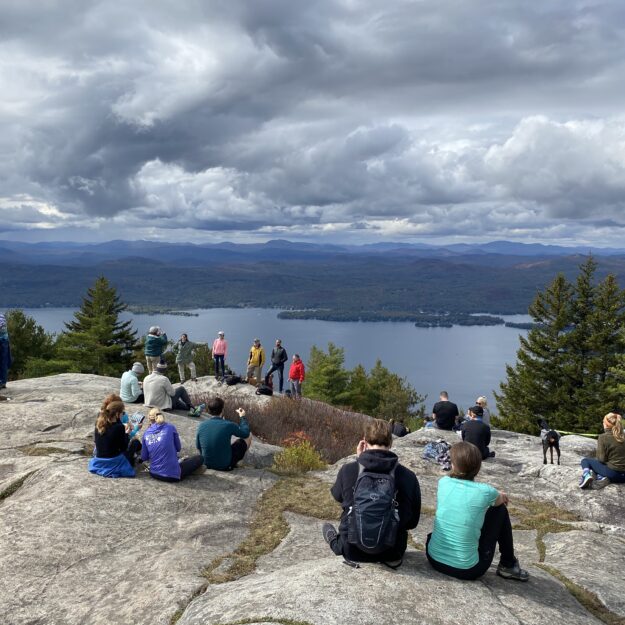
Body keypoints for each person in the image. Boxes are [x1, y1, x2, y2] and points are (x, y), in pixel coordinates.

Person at [322, 419, 421, 568]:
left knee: (332, 529)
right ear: (391, 443)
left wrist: (359, 461)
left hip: (352, 549)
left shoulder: (348, 470)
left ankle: (335, 543)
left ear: (364, 441)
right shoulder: (408, 476)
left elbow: (338, 496)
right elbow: (412, 522)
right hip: (392, 551)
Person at [426, 441, 529, 581]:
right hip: (467, 569)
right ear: (478, 468)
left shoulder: (443, 482)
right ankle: (508, 564)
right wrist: (498, 494)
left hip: (433, 558)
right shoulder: (486, 492)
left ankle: (507, 564)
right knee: (500, 511)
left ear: (453, 465)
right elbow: (501, 500)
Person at [140, 408, 204, 482]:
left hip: (154, 473)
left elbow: (144, 457)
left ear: (149, 419)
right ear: (161, 416)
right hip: (172, 476)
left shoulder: (146, 433)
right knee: (199, 458)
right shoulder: (170, 427)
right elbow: (178, 448)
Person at [88, 397, 143, 478]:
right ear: (117, 414)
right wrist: (127, 434)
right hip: (114, 461)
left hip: (99, 459)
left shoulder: (99, 423)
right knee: (135, 442)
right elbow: (123, 448)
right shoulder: (119, 427)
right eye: (122, 413)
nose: (123, 415)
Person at [195, 398, 251, 470]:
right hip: (224, 465)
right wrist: (242, 417)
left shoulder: (202, 425)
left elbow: (198, 446)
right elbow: (246, 433)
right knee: (249, 436)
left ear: (209, 411)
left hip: (206, 463)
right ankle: (234, 463)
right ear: (222, 410)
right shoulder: (228, 425)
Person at [579, 412, 625, 489]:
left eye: (603, 422)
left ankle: (586, 475)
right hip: (623, 478)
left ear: (606, 425)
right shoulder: (623, 436)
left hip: (613, 474)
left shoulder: (603, 437)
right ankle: (602, 477)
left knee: (586, 461)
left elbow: (601, 459)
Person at [0, 313, 12, 390]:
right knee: (3, 362)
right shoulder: (2, 316)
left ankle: (1, 382)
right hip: (5, 341)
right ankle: (3, 382)